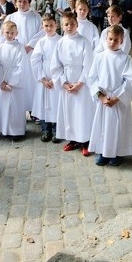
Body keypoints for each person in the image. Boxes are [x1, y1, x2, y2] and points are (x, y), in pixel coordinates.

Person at [88, 25, 132, 166]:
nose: (112, 42)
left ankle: (117, 153)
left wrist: (116, 98)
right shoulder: (99, 57)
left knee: (118, 127)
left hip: (118, 100)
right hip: (103, 98)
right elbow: (92, 78)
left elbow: (129, 81)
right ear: (105, 38)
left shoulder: (126, 59)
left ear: (121, 41)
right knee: (103, 127)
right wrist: (101, 96)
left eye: (116, 40)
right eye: (110, 39)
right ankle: (103, 152)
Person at [50, 12, 95, 156]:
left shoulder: (84, 41)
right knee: (68, 112)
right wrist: (63, 82)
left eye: (72, 24)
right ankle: (72, 139)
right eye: (66, 24)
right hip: (67, 82)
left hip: (81, 82)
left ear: (77, 24)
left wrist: (81, 82)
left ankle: (86, 141)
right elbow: (56, 66)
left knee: (82, 112)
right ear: (62, 26)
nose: (69, 27)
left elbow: (88, 65)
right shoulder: (60, 43)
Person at [31, 14, 62, 143]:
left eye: (51, 25)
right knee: (44, 105)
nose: (49, 28)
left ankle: (56, 131)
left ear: (56, 25)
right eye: (46, 26)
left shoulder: (61, 41)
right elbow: (35, 60)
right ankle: (46, 130)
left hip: (57, 77)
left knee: (56, 104)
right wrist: (43, 79)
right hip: (44, 77)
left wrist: (55, 79)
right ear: (42, 27)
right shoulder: (41, 42)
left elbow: (64, 61)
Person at [0, 21, 27, 140]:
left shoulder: (19, 47)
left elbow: (21, 66)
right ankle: (5, 129)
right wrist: (1, 82)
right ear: (3, 32)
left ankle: (17, 131)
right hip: (3, 81)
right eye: (7, 32)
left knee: (15, 107)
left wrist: (11, 82)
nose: (9, 35)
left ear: (16, 33)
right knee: (3, 107)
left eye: (12, 32)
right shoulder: (0, 48)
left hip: (14, 84)